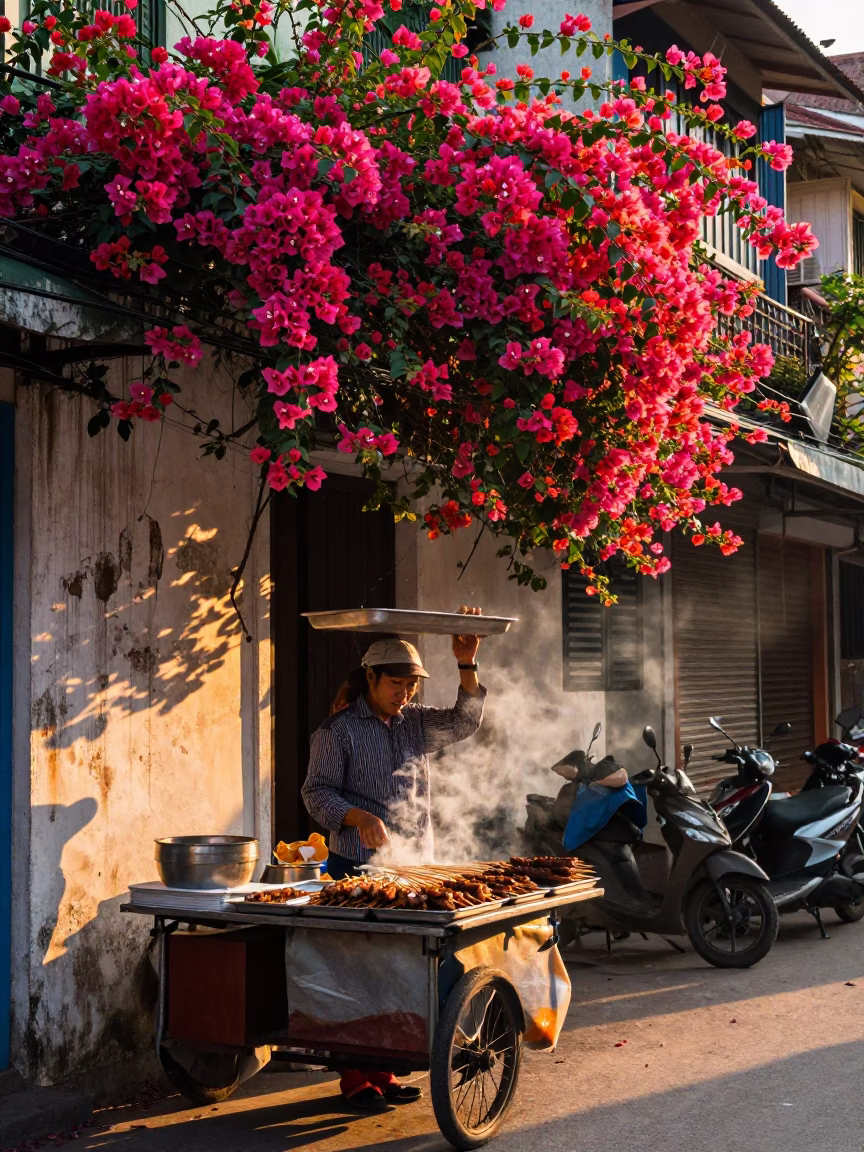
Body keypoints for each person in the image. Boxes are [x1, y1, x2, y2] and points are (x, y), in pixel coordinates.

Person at [301, 608, 486, 1111]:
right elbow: (315, 794)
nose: (406, 693)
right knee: (355, 975)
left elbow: (466, 722)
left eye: (411, 685)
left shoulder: (415, 726)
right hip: (356, 872)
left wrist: (466, 664)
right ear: (371, 678)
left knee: (397, 973)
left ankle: (382, 1072)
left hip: (410, 869)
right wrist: (357, 817)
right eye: (397, 684)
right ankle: (354, 1079)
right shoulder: (337, 731)